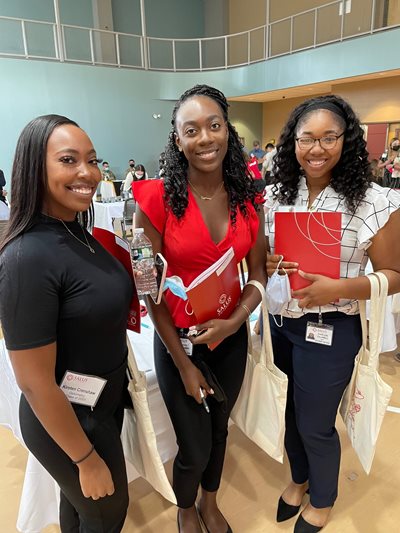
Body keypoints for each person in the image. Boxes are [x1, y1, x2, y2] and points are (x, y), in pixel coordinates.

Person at [133, 84, 266, 533]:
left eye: (214, 125)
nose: (205, 138)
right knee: (193, 443)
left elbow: (259, 275)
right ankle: (186, 508)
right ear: (177, 139)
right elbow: (147, 288)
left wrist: (235, 320)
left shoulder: (249, 198)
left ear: (228, 130)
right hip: (179, 342)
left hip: (231, 335)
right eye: (192, 130)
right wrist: (185, 365)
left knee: (221, 430)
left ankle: (210, 502)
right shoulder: (152, 201)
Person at [265, 95, 400, 532]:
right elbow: (266, 255)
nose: (316, 148)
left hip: (332, 327)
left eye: (329, 137)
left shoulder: (373, 200)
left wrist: (340, 288)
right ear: (293, 142)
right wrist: (270, 265)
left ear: (347, 140)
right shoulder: (278, 194)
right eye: (307, 138)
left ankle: (322, 497)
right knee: (287, 409)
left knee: (315, 421)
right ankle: (299, 478)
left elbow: (395, 275)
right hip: (280, 322)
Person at [0, 115, 133, 532]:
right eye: (68, 160)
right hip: (69, 417)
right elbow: (35, 382)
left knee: (81, 510)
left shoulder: (78, 231)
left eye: (92, 160)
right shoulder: (26, 258)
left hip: (102, 402)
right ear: (36, 170)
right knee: (106, 513)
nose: (86, 173)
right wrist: (85, 459)